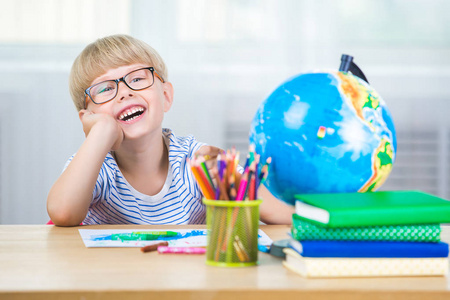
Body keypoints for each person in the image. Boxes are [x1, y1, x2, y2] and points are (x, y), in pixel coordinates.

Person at [47, 34, 294, 226]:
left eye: (137, 79)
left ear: (165, 96)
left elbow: (280, 214)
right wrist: (101, 132)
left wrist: (232, 190)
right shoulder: (94, 166)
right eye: (104, 89)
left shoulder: (197, 161)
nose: (124, 92)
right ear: (88, 118)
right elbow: (63, 213)